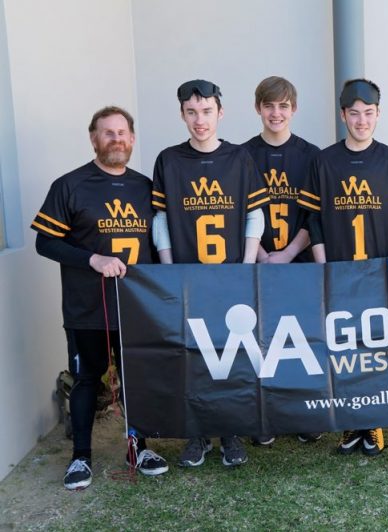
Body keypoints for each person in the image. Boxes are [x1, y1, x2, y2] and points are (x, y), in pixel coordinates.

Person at [32, 106, 168, 490]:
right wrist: (92, 257)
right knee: (86, 380)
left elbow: (160, 244)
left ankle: (138, 447)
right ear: (93, 138)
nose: (116, 139)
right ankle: (80, 459)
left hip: (135, 306)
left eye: (122, 132)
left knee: (136, 379)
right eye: (107, 133)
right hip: (86, 306)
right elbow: (45, 241)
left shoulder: (146, 187)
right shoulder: (70, 185)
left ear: (133, 139)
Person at [151, 80, 268, 467]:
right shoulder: (168, 159)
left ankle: (230, 432)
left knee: (230, 356)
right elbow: (162, 218)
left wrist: (247, 267)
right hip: (188, 276)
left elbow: (255, 213)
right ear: (182, 114)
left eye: (206, 111)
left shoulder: (239, 158)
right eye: (191, 112)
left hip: (230, 275)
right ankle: (198, 433)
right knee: (194, 357)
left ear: (220, 112)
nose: (199, 120)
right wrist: (170, 271)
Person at [298, 78, 388, 456]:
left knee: (378, 347)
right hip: (339, 269)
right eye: (354, 113)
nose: (361, 120)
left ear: (378, 114)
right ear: (342, 115)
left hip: (378, 269)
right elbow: (313, 218)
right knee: (343, 347)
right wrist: (323, 264)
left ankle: (374, 421)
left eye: (368, 113)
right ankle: (350, 423)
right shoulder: (324, 161)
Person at [241, 76, 323, 446]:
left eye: (283, 106)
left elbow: (315, 216)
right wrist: (262, 255)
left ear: (294, 109)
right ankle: (264, 417)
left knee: (300, 339)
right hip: (258, 262)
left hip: (299, 260)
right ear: (258, 108)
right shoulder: (241, 155)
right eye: (269, 105)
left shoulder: (312, 155)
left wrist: (289, 253)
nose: (276, 113)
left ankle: (301, 414)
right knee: (260, 340)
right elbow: (238, 213)